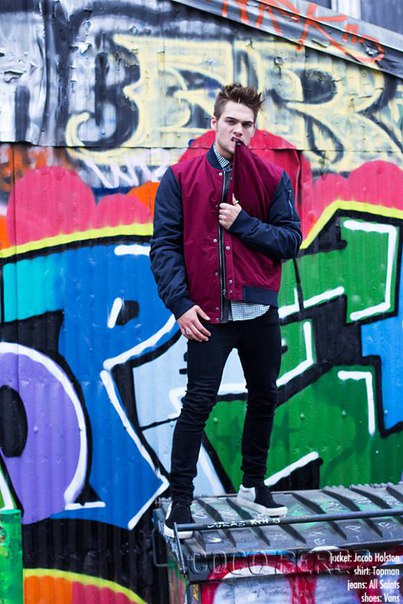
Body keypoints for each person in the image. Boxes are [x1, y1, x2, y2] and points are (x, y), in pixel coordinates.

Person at [150, 83, 302, 539]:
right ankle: (181, 501)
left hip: (257, 311)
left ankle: (253, 485)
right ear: (214, 123)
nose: (238, 130)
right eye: (230, 121)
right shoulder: (181, 178)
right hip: (207, 315)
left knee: (265, 395)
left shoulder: (272, 179)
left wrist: (244, 224)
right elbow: (164, 247)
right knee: (198, 403)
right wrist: (180, 305)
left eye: (246, 124)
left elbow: (290, 240)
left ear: (255, 130)